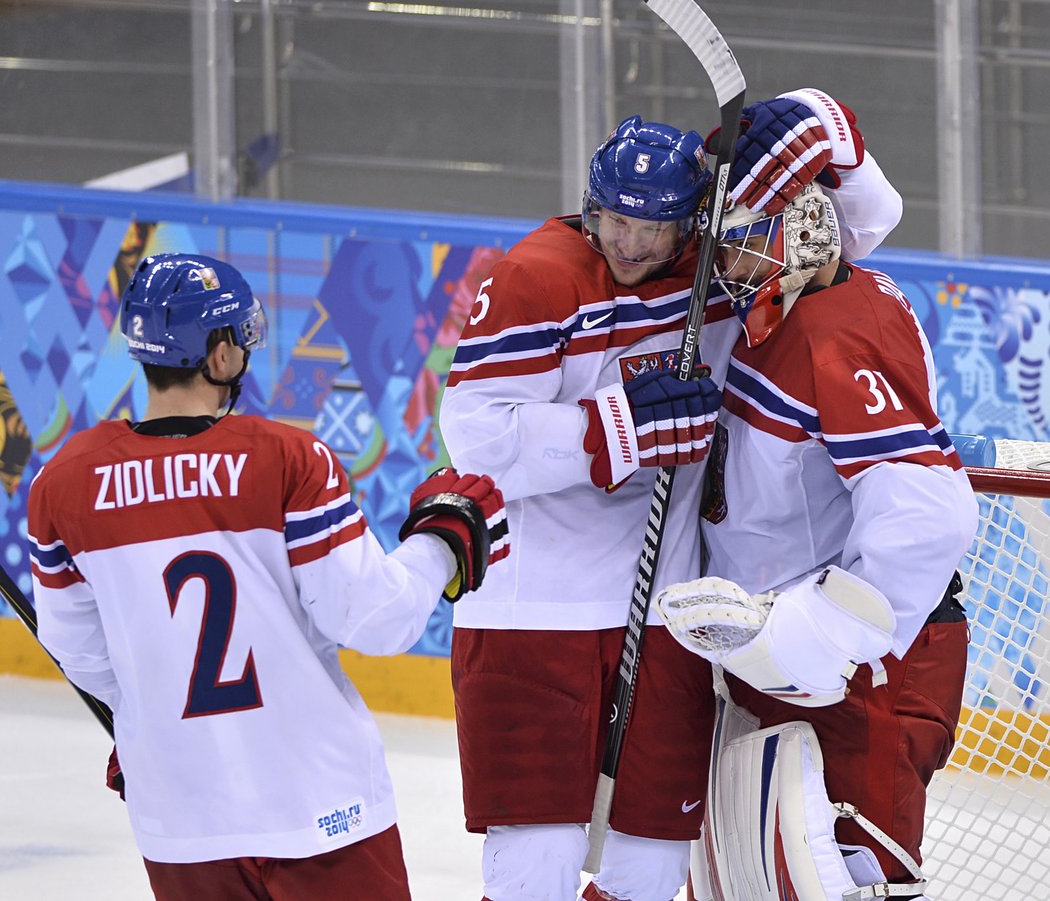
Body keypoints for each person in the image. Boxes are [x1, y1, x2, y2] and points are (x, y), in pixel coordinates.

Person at [438, 91, 904, 901]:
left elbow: (853, 230)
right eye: (616, 218)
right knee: (535, 860)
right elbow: (474, 432)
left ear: (691, 221)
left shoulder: (719, 271)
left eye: (654, 224)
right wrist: (615, 431)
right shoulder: (534, 276)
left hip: (663, 610)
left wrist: (832, 135)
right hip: (532, 608)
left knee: (652, 861)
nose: (631, 240)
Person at [27, 252, 508, 901]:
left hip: (181, 817)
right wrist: (441, 545)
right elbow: (373, 618)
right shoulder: (286, 458)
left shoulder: (64, 483)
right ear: (219, 354)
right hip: (319, 806)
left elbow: (80, 649)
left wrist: (151, 720)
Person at [655, 114, 979, 900]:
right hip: (777, 653)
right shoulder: (784, 303)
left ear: (799, 231)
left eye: (741, 239)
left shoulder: (845, 333)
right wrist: (818, 121)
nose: (723, 262)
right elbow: (861, 215)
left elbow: (928, 513)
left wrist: (827, 636)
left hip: (862, 665)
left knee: (853, 880)